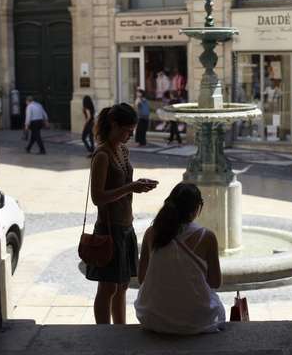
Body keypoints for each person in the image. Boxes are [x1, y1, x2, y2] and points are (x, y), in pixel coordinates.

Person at [86, 103, 159, 324]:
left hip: (126, 227)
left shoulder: (123, 151)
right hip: (109, 228)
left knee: (123, 286)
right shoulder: (102, 155)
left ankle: (121, 331)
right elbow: (97, 198)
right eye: (127, 130)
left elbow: (125, 182)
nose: (130, 135)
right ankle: (104, 334)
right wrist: (130, 187)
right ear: (115, 125)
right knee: (108, 287)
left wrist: (138, 184)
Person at [135, 182, 226, 335]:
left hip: (152, 317)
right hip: (195, 320)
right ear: (197, 208)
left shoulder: (151, 233)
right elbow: (215, 282)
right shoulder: (206, 236)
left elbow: (142, 278)